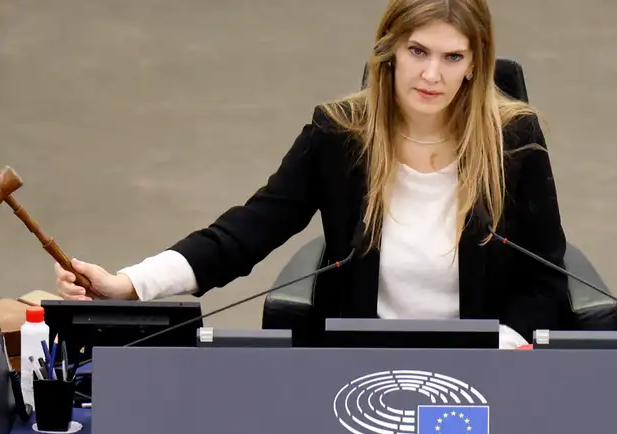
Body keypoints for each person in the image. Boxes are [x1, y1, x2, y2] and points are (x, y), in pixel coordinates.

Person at [54, 0, 571, 349]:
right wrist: (130, 284)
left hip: (481, 367)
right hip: (362, 364)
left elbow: (546, 280)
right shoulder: (339, 135)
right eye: (418, 51)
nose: (432, 74)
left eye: (452, 57)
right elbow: (244, 233)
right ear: (390, 51)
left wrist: (504, 345)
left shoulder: (514, 141)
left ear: (476, 64)